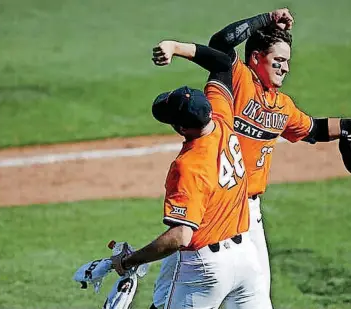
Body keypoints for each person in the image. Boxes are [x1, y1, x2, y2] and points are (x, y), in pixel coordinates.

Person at [150, 8, 351, 306]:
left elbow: (313, 129)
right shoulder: (238, 82)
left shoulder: (282, 106)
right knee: (171, 297)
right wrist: (266, 19)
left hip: (249, 215)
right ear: (255, 59)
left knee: (255, 298)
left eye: (288, 62)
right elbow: (221, 43)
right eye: (278, 61)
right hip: (212, 208)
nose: (286, 68)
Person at [111, 42, 272, 309]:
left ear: (181, 128)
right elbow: (221, 63)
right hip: (246, 260)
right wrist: (177, 47)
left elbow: (181, 236)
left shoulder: (188, 165)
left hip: (207, 269)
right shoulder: (222, 118)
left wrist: (130, 261)